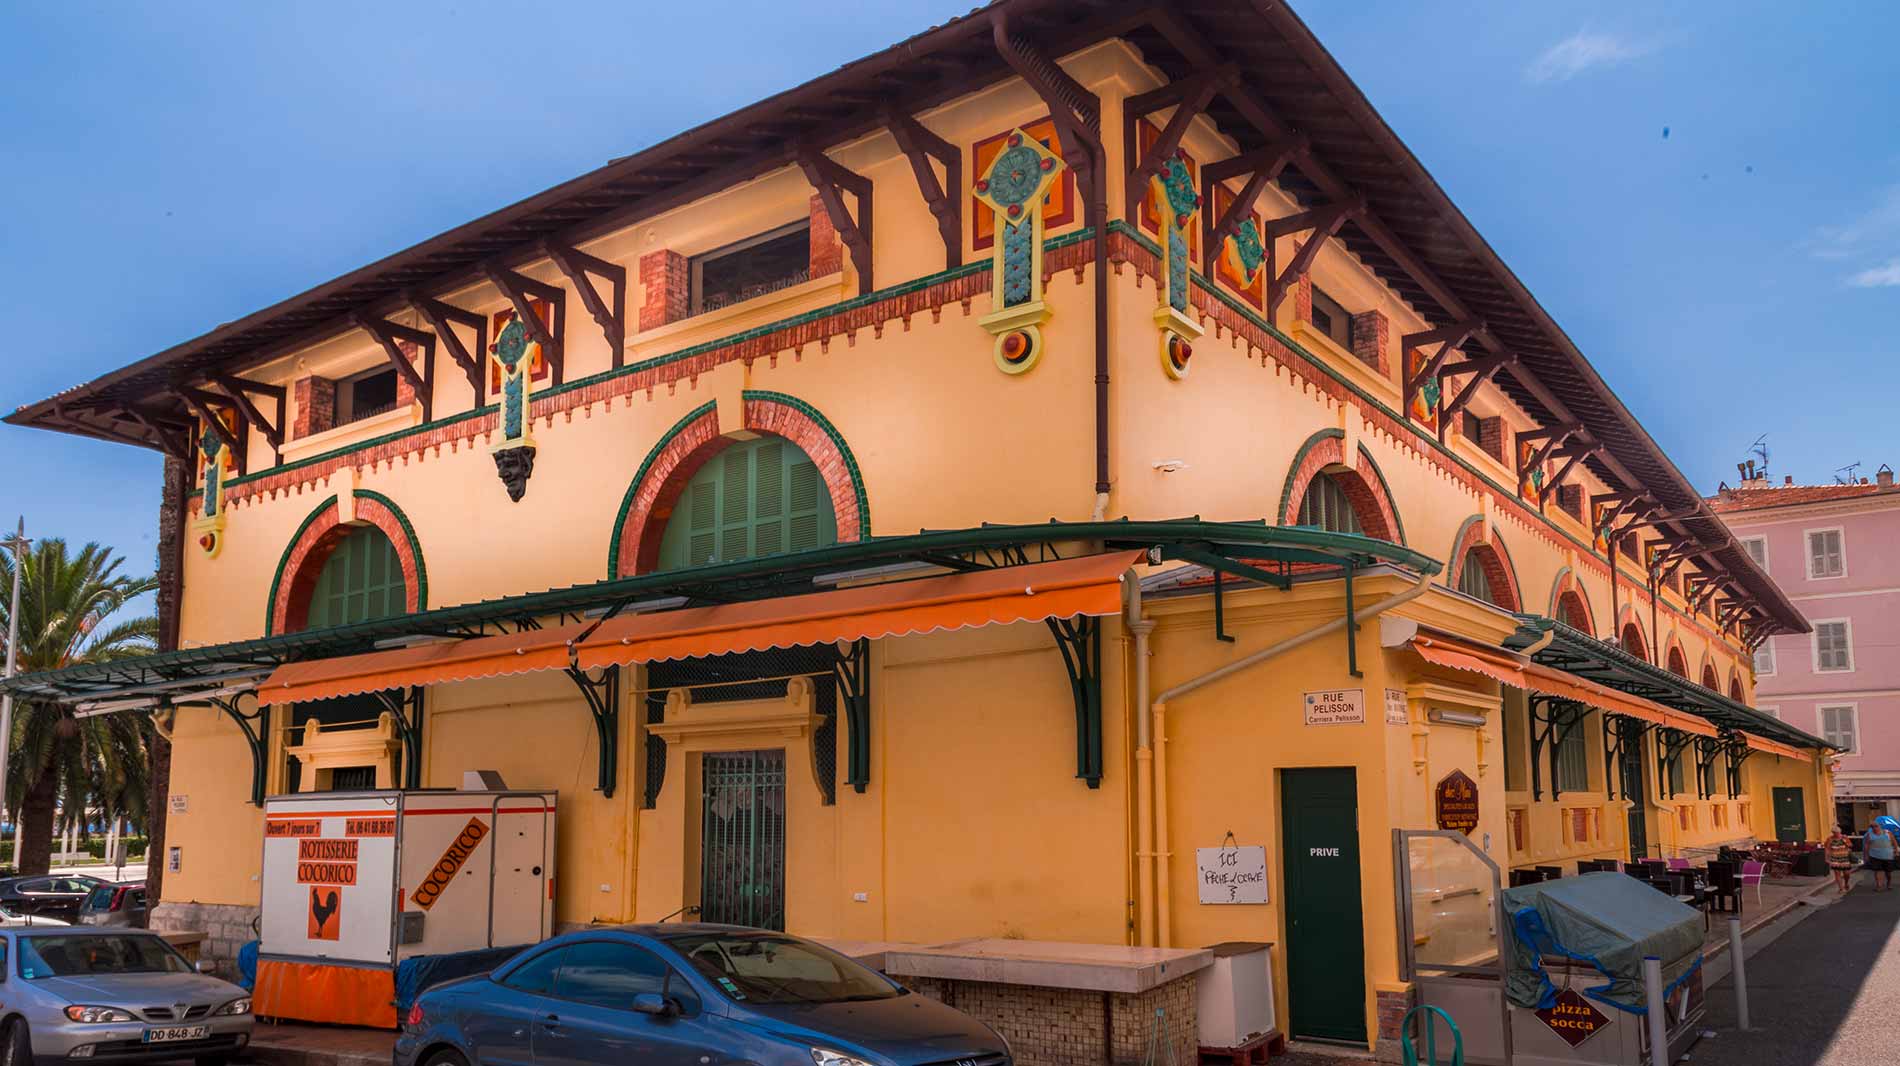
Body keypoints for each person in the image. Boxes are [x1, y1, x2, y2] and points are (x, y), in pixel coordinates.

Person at [1865, 819, 1899, 892]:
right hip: (1875, 856)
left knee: (1888, 872)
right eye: (1872, 827)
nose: (1874, 828)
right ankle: (1879, 885)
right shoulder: (1869, 835)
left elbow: (1894, 842)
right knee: (1878, 870)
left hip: (1887, 856)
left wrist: (1896, 851)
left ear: (1880, 826)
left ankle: (1889, 882)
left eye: (1876, 826)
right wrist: (1866, 855)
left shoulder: (1888, 833)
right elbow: (1867, 845)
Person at [1824, 825, 1856, 895]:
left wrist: (1845, 841)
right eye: (1836, 833)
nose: (1838, 834)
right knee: (1837, 874)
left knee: (1847, 874)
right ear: (1833, 833)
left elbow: (1850, 845)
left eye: (1838, 833)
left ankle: (1846, 883)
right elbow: (1827, 849)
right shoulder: (1830, 839)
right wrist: (1827, 858)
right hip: (1835, 858)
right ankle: (1841, 888)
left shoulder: (1844, 837)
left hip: (1845, 858)